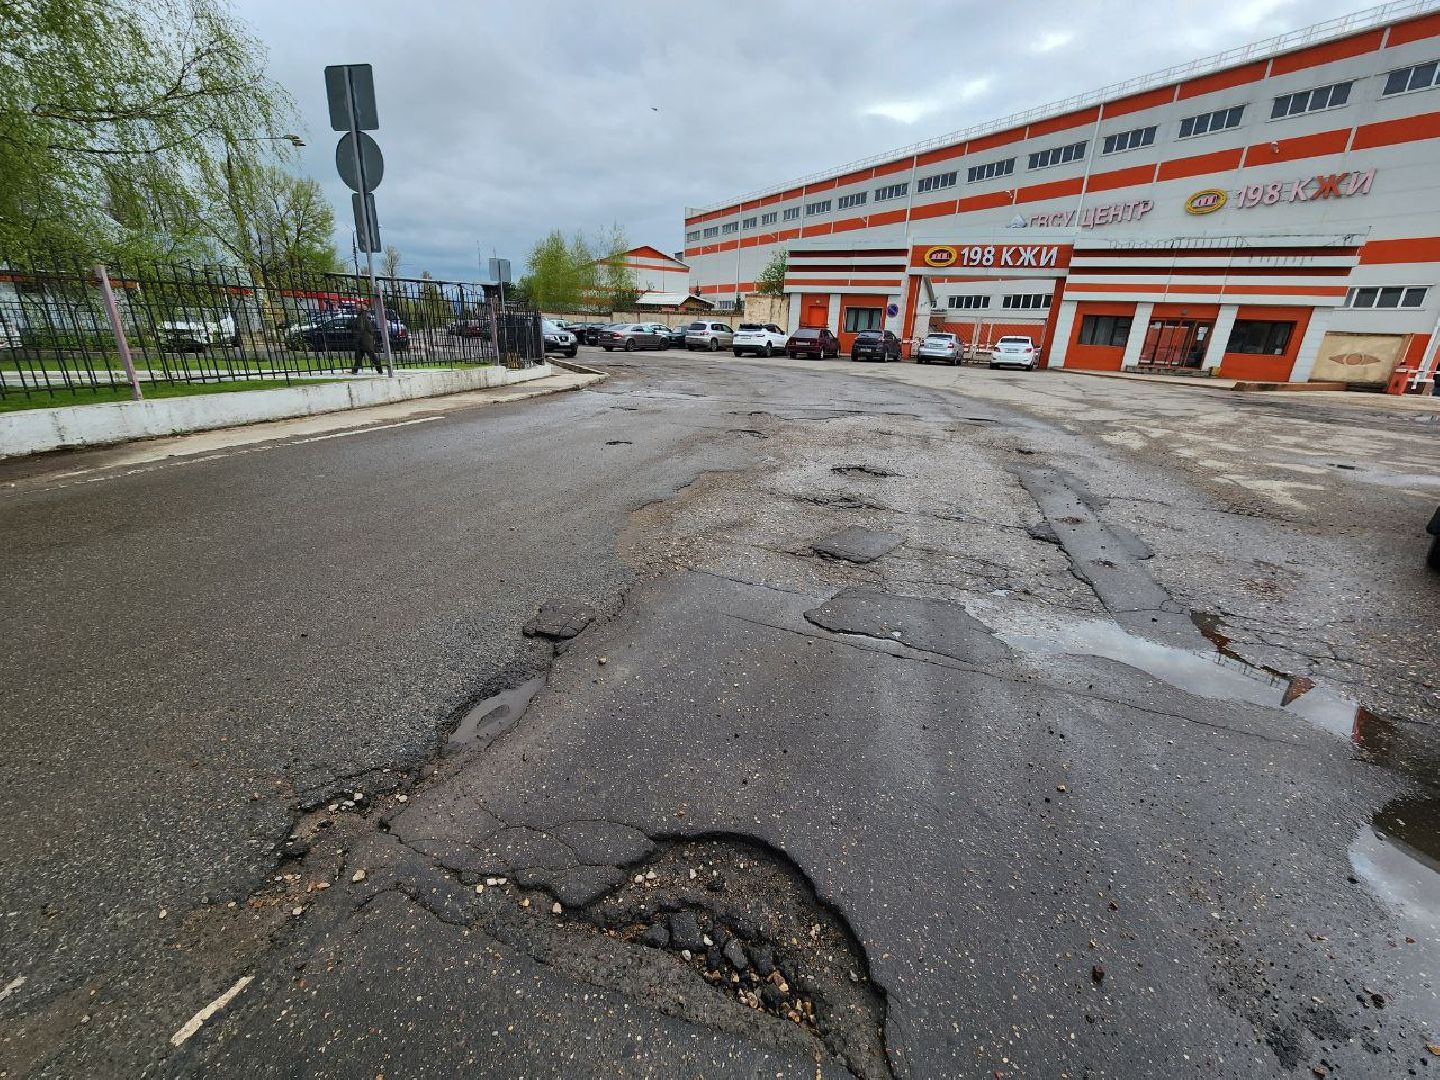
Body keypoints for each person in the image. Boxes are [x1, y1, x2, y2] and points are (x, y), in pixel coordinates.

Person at [350, 304, 382, 375]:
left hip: (363, 340)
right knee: (362, 355)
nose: (356, 310)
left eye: (357, 309)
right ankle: (379, 368)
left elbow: (360, 329)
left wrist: (356, 339)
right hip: (367, 340)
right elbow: (370, 330)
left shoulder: (360, 318)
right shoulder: (366, 318)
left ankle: (379, 368)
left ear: (361, 310)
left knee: (363, 355)